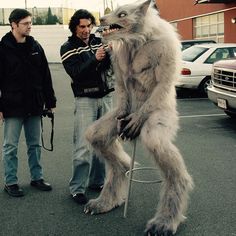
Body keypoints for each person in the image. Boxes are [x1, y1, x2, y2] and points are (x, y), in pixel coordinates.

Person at [0, 9, 57, 197]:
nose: (29, 26)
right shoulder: (3, 48)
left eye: (30, 23)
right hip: (12, 106)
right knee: (10, 147)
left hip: (34, 104)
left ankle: (36, 178)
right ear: (14, 25)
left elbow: (45, 76)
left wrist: (50, 101)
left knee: (35, 145)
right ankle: (11, 182)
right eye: (25, 23)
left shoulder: (35, 46)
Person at [60, 9, 114, 204]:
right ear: (74, 27)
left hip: (106, 97)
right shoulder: (67, 47)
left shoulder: (97, 42)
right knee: (83, 146)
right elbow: (76, 73)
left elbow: (108, 66)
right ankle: (77, 188)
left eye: (89, 26)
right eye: (82, 26)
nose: (86, 30)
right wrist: (95, 59)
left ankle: (97, 181)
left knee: (103, 143)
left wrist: (110, 46)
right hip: (85, 100)